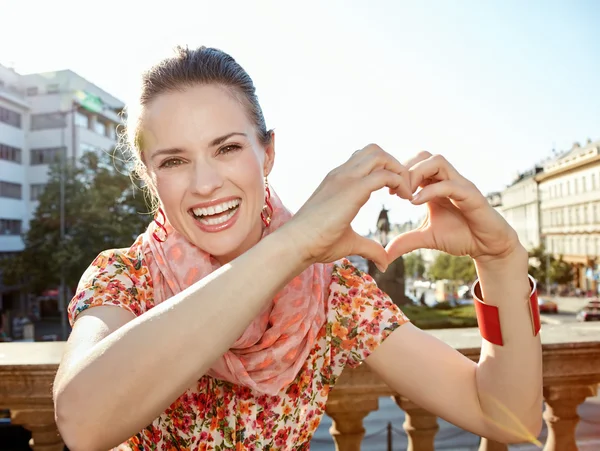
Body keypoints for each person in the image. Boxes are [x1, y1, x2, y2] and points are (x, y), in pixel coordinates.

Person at [53, 46, 543, 451]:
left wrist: (501, 262)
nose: (205, 184)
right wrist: (296, 244)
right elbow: (82, 421)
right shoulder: (125, 277)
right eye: (175, 161)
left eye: (227, 148)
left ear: (267, 154)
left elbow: (503, 416)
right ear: (149, 175)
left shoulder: (330, 290)